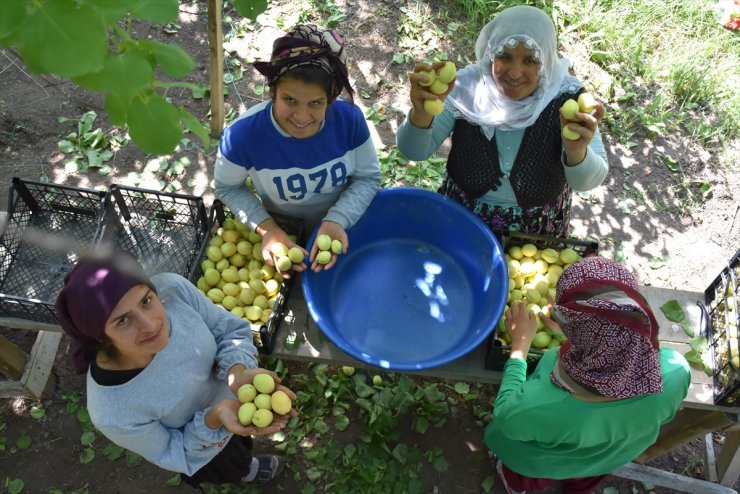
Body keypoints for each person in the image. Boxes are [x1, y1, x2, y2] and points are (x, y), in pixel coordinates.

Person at [54, 250, 297, 488]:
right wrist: (214, 418)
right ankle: (248, 470)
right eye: (123, 320)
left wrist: (237, 371)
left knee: (242, 441)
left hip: (242, 399)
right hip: (206, 447)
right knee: (231, 464)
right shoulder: (112, 411)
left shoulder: (173, 291)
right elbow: (174, 452)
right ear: (99, 338)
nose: (150, 325)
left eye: (146, 301)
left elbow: (228, 330)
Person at [396, 5, 609, 238]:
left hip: (536, 230)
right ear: (490, 53)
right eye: (505, 56)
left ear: (546, 59)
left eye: (530, 60)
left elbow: (589, 181)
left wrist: (577, 152)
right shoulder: (466, 89)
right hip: (465, 218)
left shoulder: (567, 98)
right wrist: (421, 114)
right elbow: (413, 152)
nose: (515, 73)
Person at [486, 256, 690, 494]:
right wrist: (572, 333)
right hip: (610, 457)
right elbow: (616, 352)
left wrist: (520, 347)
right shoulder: (676, 371)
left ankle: (516, 486)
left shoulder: (539, 405)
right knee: (586, 476)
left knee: (531, 473)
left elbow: (505, 415)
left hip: (541, 461)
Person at [214, 24, 381, 272]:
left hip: (344, 225)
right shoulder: (241, 137)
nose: (302, 117)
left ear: (331, 99)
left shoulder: (349, 121)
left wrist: (338, 219)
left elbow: (367, 178)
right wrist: (267, 228)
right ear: (273, 91)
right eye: (289, 100)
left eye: (315, 103)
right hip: (285, 230)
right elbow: (227, 187)